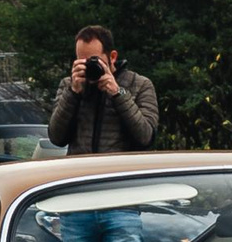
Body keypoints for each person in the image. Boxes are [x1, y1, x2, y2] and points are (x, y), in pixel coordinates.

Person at [46, 25, 159, 156]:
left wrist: (118, 94)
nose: (88, 67)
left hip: (119, 172)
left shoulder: (140, 85)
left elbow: (146, 137)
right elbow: (56, 138)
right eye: (82, 61)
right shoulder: (69, 85)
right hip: (81, 171)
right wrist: (72, 94)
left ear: (112, 57)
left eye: (94, 61)